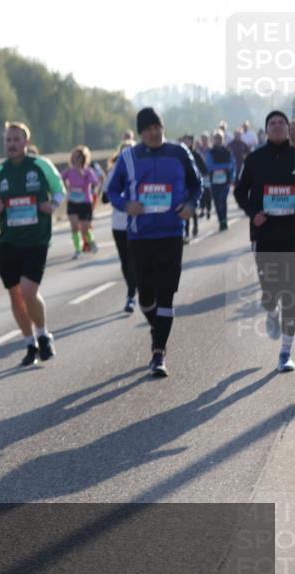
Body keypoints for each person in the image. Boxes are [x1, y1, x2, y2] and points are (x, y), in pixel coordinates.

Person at [106, 107, 201, 378]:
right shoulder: (129, 157)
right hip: (140, 236)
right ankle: (156, 327)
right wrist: (126, 204)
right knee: (145, 296)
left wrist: (191, 204)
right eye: (146, 128)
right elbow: (112, 190)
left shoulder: (179, 152)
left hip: (171, 234)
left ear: (162, 127)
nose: (152, 132)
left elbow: (197, 184)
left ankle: (158, 353)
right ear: (140, 132)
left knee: (166, 294)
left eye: (156, 126)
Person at [0, 121, 65, 367]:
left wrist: (53, 205)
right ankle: (29, 343)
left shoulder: (40, 166)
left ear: (26, 142)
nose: (12, 144)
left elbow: (59, 190)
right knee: (16, 296)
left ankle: (43, 334)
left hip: (36, 240)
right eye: (8, 140)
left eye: (16, 140)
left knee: (29, 291)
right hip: (8, 242)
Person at [233, 110, 295, 373]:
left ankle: (285, 352)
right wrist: (253, 213)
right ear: (266, 129)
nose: (278, 126)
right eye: (273, 123)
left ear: (288, 128)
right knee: (272, 290)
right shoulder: (255, 158)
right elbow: (239, 191)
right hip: (264, 233)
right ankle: (270, 308)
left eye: (282, 123)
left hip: (292, 234)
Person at [107, 140, 138, 313]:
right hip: (118, 224)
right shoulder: (114, 172)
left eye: (130, 152)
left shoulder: (141, 170)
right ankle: (131, 292)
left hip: (136, 222)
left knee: (136, 259)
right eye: (123, 153)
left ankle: (131, 293)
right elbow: (107, 196)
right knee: (126, 261)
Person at [62, 145, 100, 258]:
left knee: (84, 228)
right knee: (74, 227)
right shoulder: (69, 170)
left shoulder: (88, 171)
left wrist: (82, 174)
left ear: (83, 158)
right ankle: (77, 249)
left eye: (79, 157)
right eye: (75, 157)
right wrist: (66, 187)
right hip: (72, 201)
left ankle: (91, 241)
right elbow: (60, 179)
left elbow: (95, 182)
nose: (76, 159)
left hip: (85, 201)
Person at [179, 135, 208, 240]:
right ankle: (186, 234)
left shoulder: (196, 154)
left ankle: (195, 225)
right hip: (183, 185)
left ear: (192, 142)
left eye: (188, 141)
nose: (186, 142)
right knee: (184, 208)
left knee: (191, 207)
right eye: (184, 140)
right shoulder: (180, 154)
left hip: (193, 184)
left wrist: (199, 175)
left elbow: (204, 168)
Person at [206, 130, 236, 231]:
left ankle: (224, 221)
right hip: (214, 181)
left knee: (223, 200)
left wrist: (232, 177)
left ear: (223, 140)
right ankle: (220, 220)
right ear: (214, 140)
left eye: (220, 138)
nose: (218, 140)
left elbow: (232, 165)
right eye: (216, 138)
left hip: (225, 181)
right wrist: (224, 166)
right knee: (217, 201)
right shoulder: (210, 152)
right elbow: (210, 166)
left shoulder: (228, 152)